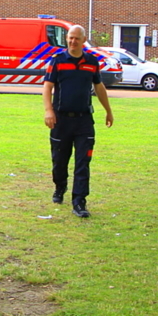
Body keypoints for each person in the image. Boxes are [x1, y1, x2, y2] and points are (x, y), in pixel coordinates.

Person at [42, 25, 113, 218]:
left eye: (77, 39)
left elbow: (99, 87)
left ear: (83, 41)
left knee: (83, 162)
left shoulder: (91, 61)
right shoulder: (57, 61)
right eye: (70, 38)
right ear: (67, 39)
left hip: (83, 122)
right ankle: (60, 186)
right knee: (59, 161)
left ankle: (79, 202)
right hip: (61, 121)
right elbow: (47, 87)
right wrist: (49, 111)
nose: (73, 42)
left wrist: (108, 111)